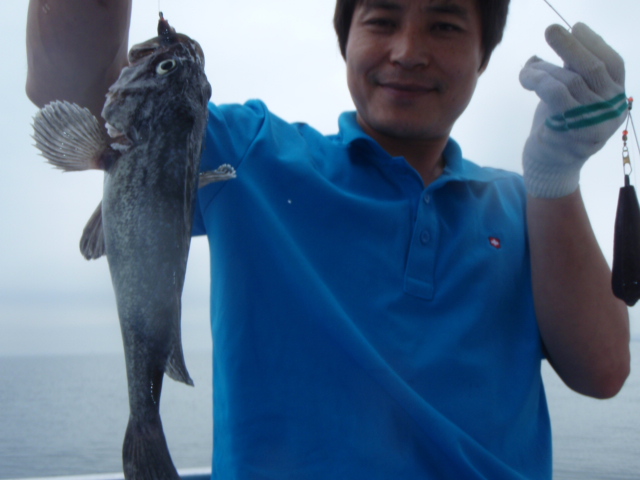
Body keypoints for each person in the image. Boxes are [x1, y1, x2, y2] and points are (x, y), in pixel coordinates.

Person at [26, 0, 631, 478]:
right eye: (382, 20)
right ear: (346, 40)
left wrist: (555, 176)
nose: (407, 51)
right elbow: (73, 83)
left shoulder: (528, 205)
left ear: (484, 55)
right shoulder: (250, 150)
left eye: (445, 26)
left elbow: (602, 370)